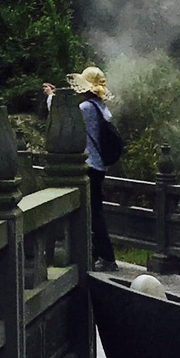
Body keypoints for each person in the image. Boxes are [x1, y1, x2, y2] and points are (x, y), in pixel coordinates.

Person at [44, 67, 118, 271]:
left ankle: (106, 257)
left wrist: (51, 98)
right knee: (94, 211)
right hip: (99, 166)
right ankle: (97, 255)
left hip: (89, 166)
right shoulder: (101, 107)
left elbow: (65, 118)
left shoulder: (86, 107)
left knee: (93, 213)